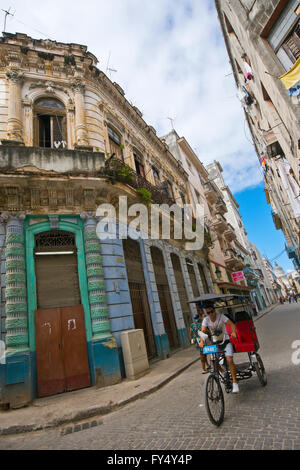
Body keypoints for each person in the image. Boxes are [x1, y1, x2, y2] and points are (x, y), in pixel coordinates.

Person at [201, 301, 240, 393]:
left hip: (226, 341)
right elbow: (202, 331)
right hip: (216, 343)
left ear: (214, 310)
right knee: (213, 360)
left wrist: (233, 332)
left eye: (211, 312)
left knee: (229, 359)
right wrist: (201, 341)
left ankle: (235, 382)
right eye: (208, 313)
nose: (210, 314)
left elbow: (231, 324)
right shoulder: (206, 320)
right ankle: (223, 372)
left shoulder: (221, 317)